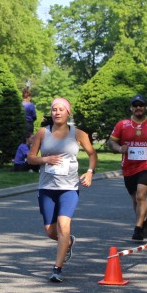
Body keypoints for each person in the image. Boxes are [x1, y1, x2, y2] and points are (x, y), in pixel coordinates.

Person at [26, 97, 97, 283]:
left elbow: (92, 154)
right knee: (51, 231)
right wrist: (45, 159)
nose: (57, 112)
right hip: (47, 187)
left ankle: (57, 269)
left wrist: (90, 172)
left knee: (64, 225)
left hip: (69, 188)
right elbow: (30, 158)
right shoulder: (43, 133)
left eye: (61, 109)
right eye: (54, 109)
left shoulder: (78, 134)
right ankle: (69, 242)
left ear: (68, 112)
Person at [109, 94, 147, 241]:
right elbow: (111, 142)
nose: (138, 108)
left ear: (145, 107)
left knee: (141, 195)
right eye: (135, 105)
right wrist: (119, 148)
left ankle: (138, 229)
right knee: (135, 199)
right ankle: (145, 222)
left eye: (141, 105)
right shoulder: (122, 124)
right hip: (128, 166)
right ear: (131, 108)